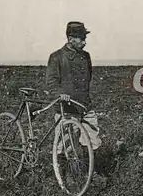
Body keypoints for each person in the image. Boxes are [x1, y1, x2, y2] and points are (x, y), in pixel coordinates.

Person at [45, 21, 105, 178]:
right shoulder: (56, 57)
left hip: (85, 105)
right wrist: (60, 94)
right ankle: (66, 176)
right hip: (67, 108)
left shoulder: (86, 56)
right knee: (66, 143)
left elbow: (88, 77)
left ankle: (92, 172)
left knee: (93, 140)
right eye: (81, 38)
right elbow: (51, 82)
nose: (84, 42)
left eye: (85, 38)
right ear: (71, 38)